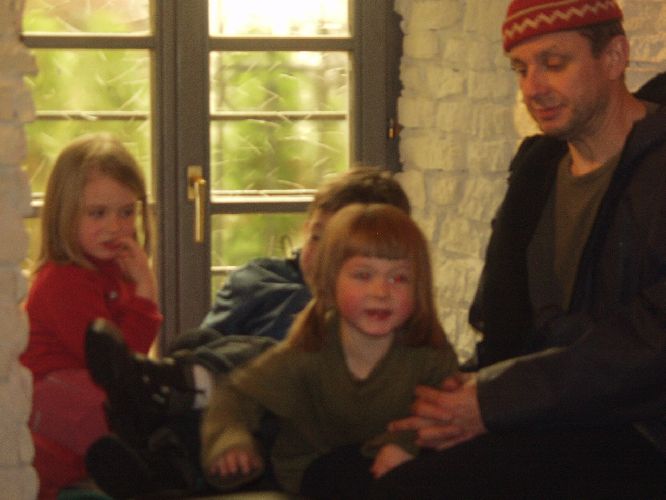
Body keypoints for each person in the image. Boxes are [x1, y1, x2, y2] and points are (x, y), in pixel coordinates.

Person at [369, 1, 666, 498]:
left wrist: (494, 400)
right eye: (521, 69)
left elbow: (650, 343)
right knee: (341, 471)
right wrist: (449, 408)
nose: (533, 88)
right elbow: (504, 328)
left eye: (554, 63)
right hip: (542, 412)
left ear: (614, 57)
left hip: (639, 431)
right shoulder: (537, 172)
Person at [83, 167, 413, 498]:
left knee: (269, 359)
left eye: (340, 249)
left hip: (286, 426)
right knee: (194, 343)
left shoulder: (374, 320)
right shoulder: (260, 280)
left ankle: (159, 421)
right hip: (219, 407)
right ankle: (159, 454)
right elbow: (209, 344)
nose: (321, 255)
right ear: (305, 227)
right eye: (317, 237)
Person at [201, 203, 459, 498]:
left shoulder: (429, 353)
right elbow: (236, 395)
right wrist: (231, 441)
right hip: (317, 472)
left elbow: (448, 415)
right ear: (330, 281)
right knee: (348, 472)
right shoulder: (308, 352)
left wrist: (404, 443)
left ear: (419, 287)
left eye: (398, 278)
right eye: (363, 275)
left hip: (397, 468)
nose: (381, 292)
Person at [20, 133, 161, 500]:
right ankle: (136, 465)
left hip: (83, 394)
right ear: (65, 214)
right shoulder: (64, 281)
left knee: (140, 397)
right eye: (98, 213)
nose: (115, 226)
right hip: (48, 401)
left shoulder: (112, 269)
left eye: (126, 212)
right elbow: (113, 364)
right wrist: (145, 295)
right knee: (116, 404)